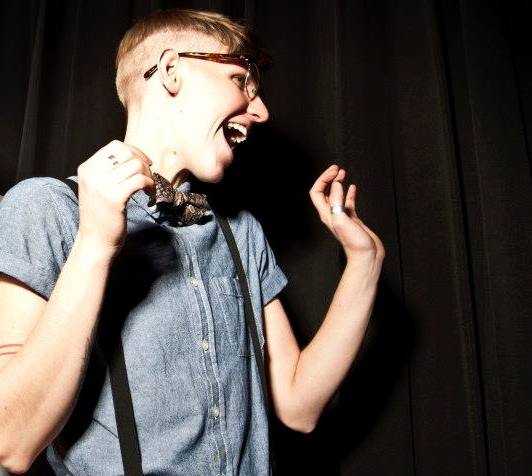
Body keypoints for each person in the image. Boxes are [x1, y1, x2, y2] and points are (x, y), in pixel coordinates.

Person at [0, 8, 385, 476]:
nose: (261, 111)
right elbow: (10, 441)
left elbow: (298, 407)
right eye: (241, 80)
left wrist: (364, 261)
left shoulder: (239, 231)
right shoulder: (48, 208)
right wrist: (95, 245)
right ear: (171, 70)